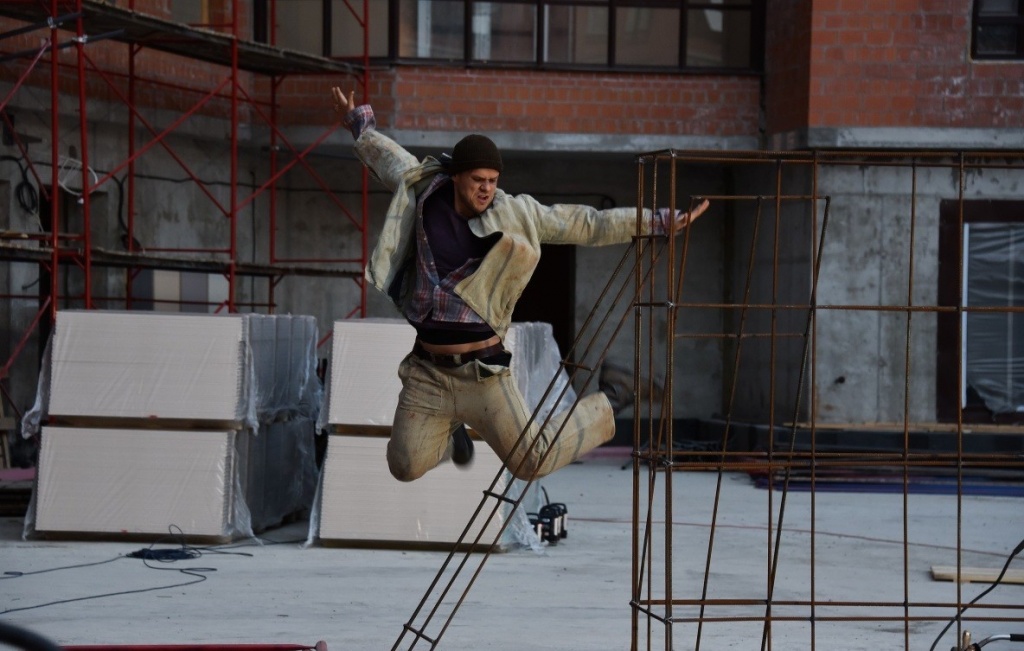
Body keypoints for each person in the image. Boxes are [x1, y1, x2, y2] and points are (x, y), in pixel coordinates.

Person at [330, 86, 710, 482]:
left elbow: (588, 223)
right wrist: (359, 121)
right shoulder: (425, 192)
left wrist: (659, 222)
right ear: (455, 176)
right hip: (428, 372)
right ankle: (449, 427)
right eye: (478, 179)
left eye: (493, 180)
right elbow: (389, 159)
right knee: (404, 466)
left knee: (531, 463)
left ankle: (615, 396)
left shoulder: (516, 213)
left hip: (483, 375)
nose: (486, 189)